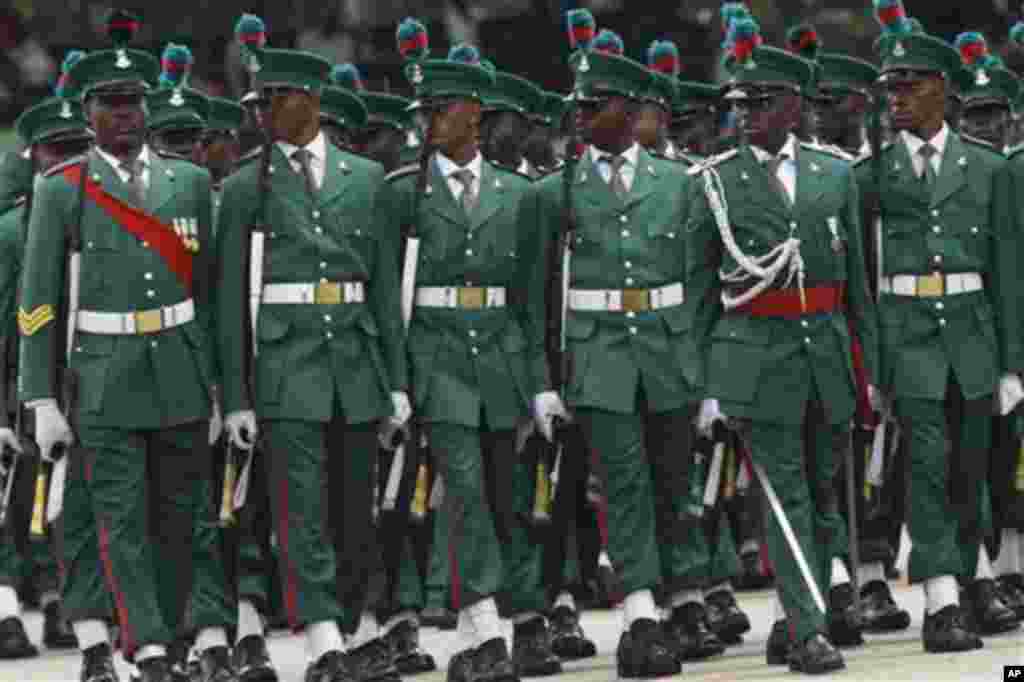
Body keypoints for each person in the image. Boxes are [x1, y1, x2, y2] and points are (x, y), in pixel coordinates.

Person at [18, 10, 232, 682]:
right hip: (104, 376)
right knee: (119, 523)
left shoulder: (189, 182)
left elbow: (213, 300)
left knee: (182, 520)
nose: (124, 117)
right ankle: (148, 648)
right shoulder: (62, 189)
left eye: (132, 104)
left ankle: (174, 636)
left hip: (179, 370)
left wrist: (225, 388)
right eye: (110, 106)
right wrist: (39, 396)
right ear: (87, 113)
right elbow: (37, 300)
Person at [686, 13, 877, 674]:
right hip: (755, 357)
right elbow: (697, 294)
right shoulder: (712, 181)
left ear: (794, 106)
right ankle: (808, 630)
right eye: (739, 104)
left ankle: (809, 611)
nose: (745, 115)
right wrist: (706, 383)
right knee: (786, 495)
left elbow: (858, 291)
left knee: (824, 497)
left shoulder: (835, 176)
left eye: (762, 102)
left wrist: (869, 373)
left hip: (824, 356)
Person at [215, 35, 408, 682]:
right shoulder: (247, 186)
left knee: (357, 509)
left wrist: (399, 385)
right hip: (285, 365)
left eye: (277, 98)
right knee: (301, 510)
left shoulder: (368, 180)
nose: (264, 112)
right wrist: (237, 396)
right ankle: (323, 635)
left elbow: (384, 293)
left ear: (313, 100)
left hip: (355, 363)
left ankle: (361, 626)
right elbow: (228, 300)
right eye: (260, 100)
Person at [536, 9, 715, 677]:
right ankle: (640, 611)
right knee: (624, 485)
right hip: (599, 352)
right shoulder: (557, 191)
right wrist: (545, 379)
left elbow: (700, 287)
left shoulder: (679, 183)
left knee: (677, 482)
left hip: (668, 351)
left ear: (633, 107)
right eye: (578, 104)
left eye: (597, 103)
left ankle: (685, 597)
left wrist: (706, 373)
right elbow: (539, 295)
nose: (583, 115)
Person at [388, 20, 560, 680]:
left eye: (441, 109)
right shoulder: (404, 191)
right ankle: (487, 628)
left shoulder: (518, 196)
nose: (430, 120)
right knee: (462, 490)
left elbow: (530, 304)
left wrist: (540, 381)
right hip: (437, 357)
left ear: (474, 114)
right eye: (425, 110)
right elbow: (392, 295)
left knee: (501, 495)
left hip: (501, 357)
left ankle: (477, 630)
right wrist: (401, 381)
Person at [855, 3, 1021, 653]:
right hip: (909, 336)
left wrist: (1013, 363)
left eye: (909, 86)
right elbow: (865, 278)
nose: (895, 97)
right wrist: (873, 363)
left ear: (943, 92)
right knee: (926, 462)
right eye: (889, 87)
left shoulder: (989, 169)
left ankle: (975, 574)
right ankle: (941, 597)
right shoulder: (872, 173)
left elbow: (1007, 270)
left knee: (971, 469)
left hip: (974, 334)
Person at [811, 48, 915, 635]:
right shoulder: (820, 168)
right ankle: (842, 576)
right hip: (833, 328)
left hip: (891, 326)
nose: (826, 114)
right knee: (832, 461)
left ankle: (875, 569)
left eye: (838, 102)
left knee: (884, 460)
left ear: (861, 104)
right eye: (819, 103)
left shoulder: (882, 167)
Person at [0, 56, 92, 660]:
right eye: (52, 152)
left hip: (78, 380)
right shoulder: (10, 230)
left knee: (63, 500)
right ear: (32, 157)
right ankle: (7, 610)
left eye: (72, 151)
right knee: (10, 502)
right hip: (14, 382)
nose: (62, 164)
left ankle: (62, 603)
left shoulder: (95, 218)